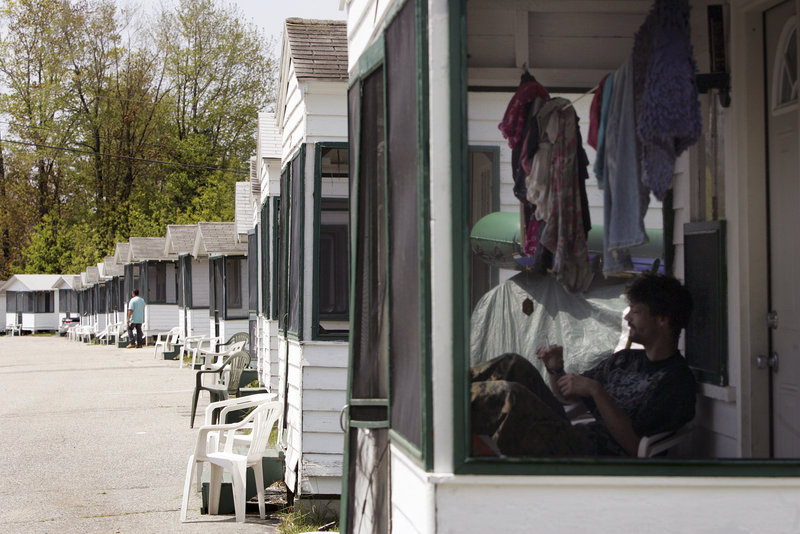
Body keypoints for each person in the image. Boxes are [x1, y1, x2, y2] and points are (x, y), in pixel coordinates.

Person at [470, 272, 696, 457]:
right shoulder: (625, 360)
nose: (627, 319)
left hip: (592, 457)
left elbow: (636, 448)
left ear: (663, 320)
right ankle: (446, 392)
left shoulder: (676, 381)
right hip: (571, 437)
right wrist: (555, 369)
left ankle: (445, 407)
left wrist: (596, 391)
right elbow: (566, 397)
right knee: (513, 363)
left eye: (636, 312)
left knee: (510, 396)